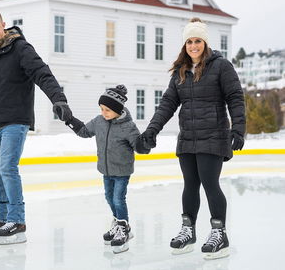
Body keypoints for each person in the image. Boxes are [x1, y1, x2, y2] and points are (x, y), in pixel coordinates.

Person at [0, 10, 72, 245]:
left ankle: (17, 221)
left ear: (4, 25)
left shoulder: (21, 49)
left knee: (7, 167)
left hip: (16, 120)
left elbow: (43, 74)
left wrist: (58, 99)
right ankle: (1, 217)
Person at [140, 17, 245, 259]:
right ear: (184, 45)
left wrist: (238, 128)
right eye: (189, 41)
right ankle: (189, 230)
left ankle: (220, 234)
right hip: (188, 138)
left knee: (210, 184)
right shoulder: (181, 71)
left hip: (213, 136)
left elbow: (235, 97)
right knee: (190, 185)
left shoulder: (221, 67)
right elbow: (167, 104)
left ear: (205, 43)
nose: (193, 45)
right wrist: (151, 130)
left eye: (197, 40)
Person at [65, 85, 150, 254]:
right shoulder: (99, 121)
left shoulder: (128, 126)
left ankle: (124, 228)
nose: (104, 112)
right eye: (102, 109)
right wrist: (69, 120)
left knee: (118, 199)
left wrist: (146, 143)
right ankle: (118, 223)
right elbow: (83, 131)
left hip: (122, 171)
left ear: (118, 110)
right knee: (109, 198)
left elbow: (140, 147)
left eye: (108, 110)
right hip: (106, 170)